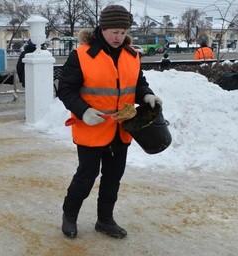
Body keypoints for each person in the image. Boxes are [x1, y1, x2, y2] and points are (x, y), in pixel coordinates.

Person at [57, 5, 162, 239]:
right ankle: (69, 215)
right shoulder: (82, 56)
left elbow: (138, 83)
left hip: (121, 129)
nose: (118, 37)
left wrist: (146, 94)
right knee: (86, 177)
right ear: (102, 29)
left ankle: (105, 220)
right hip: (91, 129)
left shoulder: (132, 56)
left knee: (113, 178)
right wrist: (83, 111)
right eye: (114, 31)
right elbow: (65, 89)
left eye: (123, 32)